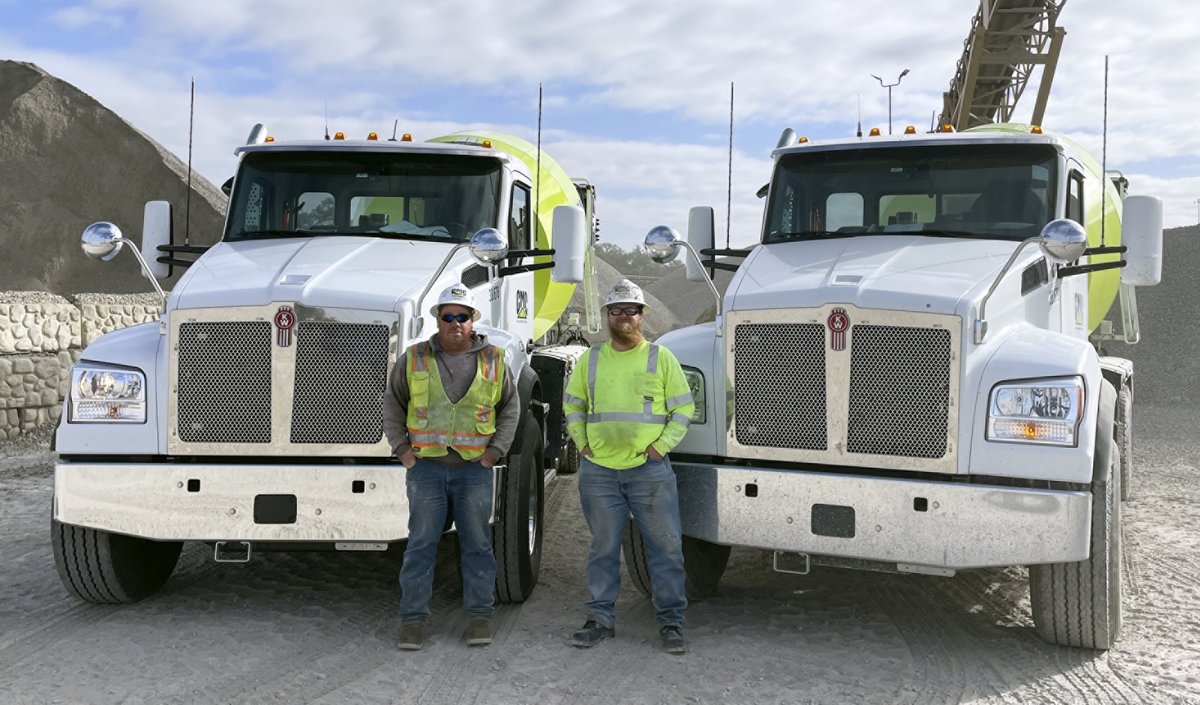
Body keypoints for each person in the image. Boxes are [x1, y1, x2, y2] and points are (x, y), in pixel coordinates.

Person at [382, 284, 519, 651]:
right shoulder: (414, 358)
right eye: (448, 316)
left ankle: (479, 617)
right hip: (426, 469)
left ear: (473, 320)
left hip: (474, 470)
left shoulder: (494, 359)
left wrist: (494, 453)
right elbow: (393, 405)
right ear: (438, 320)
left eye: (463, 316)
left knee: (477, 545)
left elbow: (511, 409)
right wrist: (403, 452)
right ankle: (412, 622)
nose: (455, 323)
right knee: (421, 545)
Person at [563, 279, 696, 654]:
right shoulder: (590, 359)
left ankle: (671, 622)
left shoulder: (660, 357)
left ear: (642, 316)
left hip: (648, 472)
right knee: (603, 548)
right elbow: (573, 405)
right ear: (607, 316)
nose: (623, 317)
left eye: (631, 310)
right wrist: (582, 444)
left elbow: (684, 408)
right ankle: (599, 619)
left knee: (666, 548)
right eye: (616, 310)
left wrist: (660, 449)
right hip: (600, 473)